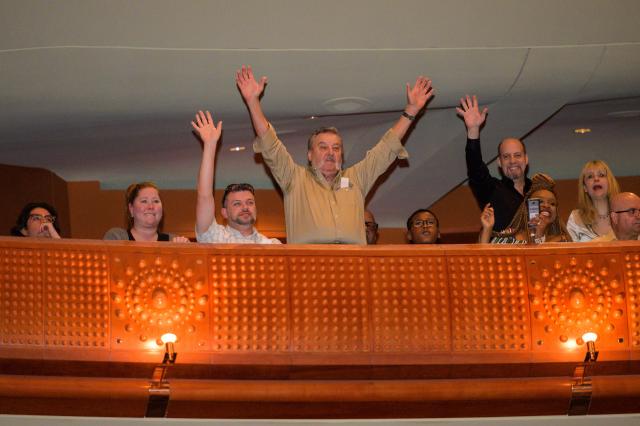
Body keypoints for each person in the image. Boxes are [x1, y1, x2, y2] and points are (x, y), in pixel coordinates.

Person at [236, 65, 434, 244]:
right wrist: (253, 102)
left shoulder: (356, 178)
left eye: (336, 148)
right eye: (323, 147)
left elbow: (386, 149)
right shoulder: (294, 178)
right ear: (310, 155)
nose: (331, 153)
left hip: (353, 269)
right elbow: (271, 145)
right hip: (309, 271)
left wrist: (411, 110)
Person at [190, 110, 281, 244]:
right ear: (224, 213)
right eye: (237, 204)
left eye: (250, 202)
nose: (245, 207)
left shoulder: (271, 245)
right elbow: (204, 196)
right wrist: (210, 146)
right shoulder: (214, 237)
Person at [457, 95, 532, 232]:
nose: (512, 161)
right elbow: (475, 168)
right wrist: (473, 130)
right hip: (502, 253)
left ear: (526, 159)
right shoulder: (491, 190)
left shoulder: (538, 190)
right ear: (499, 162)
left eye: (517, 155)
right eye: (506, 156)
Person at [479, 173, 570, 244]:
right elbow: (484, 261)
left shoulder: (562, 241)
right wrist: (487, 229)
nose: (546, 205)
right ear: (527, 208)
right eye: (540, 201)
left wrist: (538, 235)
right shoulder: (508, 236)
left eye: (552, 203)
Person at [104, 182, 190, 242]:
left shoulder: (173, 241)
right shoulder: (117, 237)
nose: (151, 206)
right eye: (144, 201)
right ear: (131, 209)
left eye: (156, 201)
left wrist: (183, 252)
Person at [566, 160, 620, 241]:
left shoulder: (624, 216)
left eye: (601, 175)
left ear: (610, 182)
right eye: (590, 176)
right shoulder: (575, 218)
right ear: (585, 187)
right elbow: (569, 252)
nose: (596, 179)